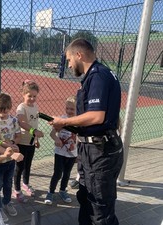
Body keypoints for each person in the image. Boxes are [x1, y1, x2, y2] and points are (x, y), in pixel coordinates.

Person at [50, 38, 123, 225]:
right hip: (92, 150)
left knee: (100, 210)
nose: (68, 64)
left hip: (100, 152)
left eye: (68, 60)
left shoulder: (98, 76)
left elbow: (97, 116)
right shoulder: (95, 75)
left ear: (79, 55)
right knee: (86, 198)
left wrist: (64, 121)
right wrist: (64, 125)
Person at [0, 93, 21, 221]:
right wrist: (8, 146)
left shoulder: (13, 120)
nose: (2, 114)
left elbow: (18, 136)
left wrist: (13, 144)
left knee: (8, 183)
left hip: (10, 159)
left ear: (10, 108)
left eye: (5, 111)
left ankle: (7, 202)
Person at [13, 80, 44, 202]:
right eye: (29, 96)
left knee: (28, 166)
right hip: (22, 142)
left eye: (34, 96)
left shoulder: (35, 106)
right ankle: (17, 190)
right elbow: (22, 122)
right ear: (23, 95)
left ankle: (25, 184)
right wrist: (34, 131)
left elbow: (34, 122)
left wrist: (35, 139)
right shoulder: (21, 107)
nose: (32, 98)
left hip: (31, 143)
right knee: (19, 167)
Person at [44, 96, 77, 205]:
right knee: (57, 173)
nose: (68, 111)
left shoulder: (79, 121)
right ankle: (50, 192)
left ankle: (63, 191)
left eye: (72, 109)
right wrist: (57, 139)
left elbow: (81, 138)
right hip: (60, 153)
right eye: (67, 108)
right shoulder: (61, 120)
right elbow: (52, 133)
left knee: (67, 174)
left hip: (72, 154)